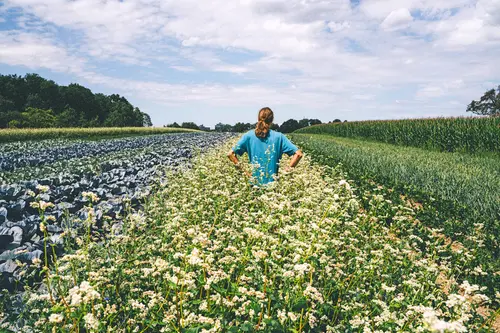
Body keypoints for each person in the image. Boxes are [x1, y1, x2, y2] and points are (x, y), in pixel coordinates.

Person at [227, 107, 303, 185]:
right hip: (273, 186)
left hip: (254, 184)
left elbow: (230, 154)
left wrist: (246, 174)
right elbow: (298, 154)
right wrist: (285, 172)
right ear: (272, 120)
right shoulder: (279, 137)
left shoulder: (248, 136)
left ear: (258, 118)